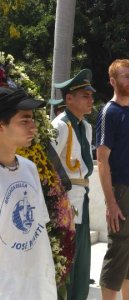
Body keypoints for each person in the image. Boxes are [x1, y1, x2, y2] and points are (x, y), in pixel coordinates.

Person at [96, 59, 129, 300]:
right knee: (119, 252)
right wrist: (110, 202)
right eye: (126, 76)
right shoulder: (110, 112)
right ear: (113, 81)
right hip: (123, 192)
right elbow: (102, 160)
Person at [0, 87, 57, 300]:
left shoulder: (29, 168)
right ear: (1, 126)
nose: (33, 127)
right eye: (24, 121)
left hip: (36, 288)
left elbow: (38, 227)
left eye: (32, 120)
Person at [51, 69, 95, 300]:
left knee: (82, 262)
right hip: (65, 201)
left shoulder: (85, 126)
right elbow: (47, 166)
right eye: (85, 95)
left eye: (91, 95)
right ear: (69, 99)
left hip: (83, 197)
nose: (91, 100)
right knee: (67, 262)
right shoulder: (60, 125)